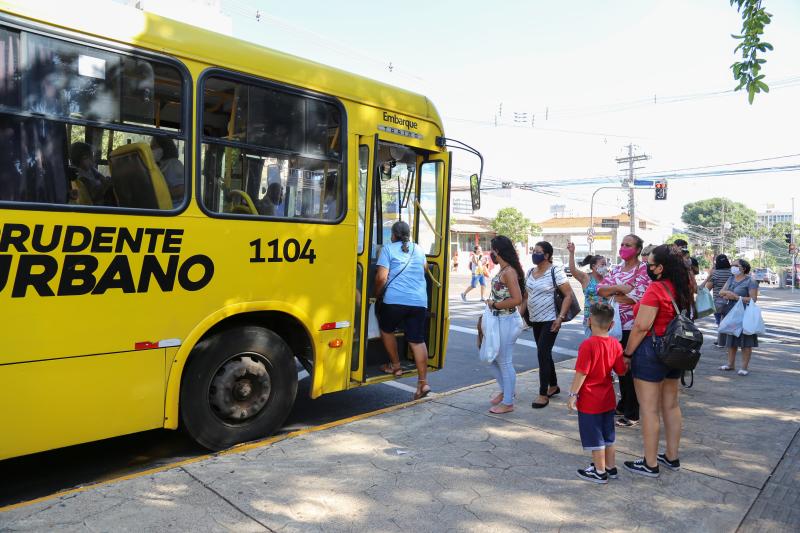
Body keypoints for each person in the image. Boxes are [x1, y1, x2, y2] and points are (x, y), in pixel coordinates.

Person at [622, 244, 692, 478]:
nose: (647, 267)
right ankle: (672, 456)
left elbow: (641, 326)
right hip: (674, 351)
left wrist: (628, 353)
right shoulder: (682, 286)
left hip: (651, 351)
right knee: (671, 405)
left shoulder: (656, 289)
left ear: (660, 268)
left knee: (649, 410)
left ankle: (650, 463)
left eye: (650, 264)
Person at [568, 302, 627, 484]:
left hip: (590, 399)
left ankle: (599, 471)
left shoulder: (588, 345)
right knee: (608, 435)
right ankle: (610, 467)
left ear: (589, 321)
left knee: (595, 437)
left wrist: (573, 394)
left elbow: (582, 372)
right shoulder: (616, 345)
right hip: (608, 398)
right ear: (612, 324)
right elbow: (622, 370)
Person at [375, 221, 431, 400]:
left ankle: (396, 366)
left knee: (386, 329)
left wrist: (377, 295)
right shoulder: (419, 249)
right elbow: (425, 269)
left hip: (395, 301)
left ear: (393, 235)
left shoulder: (388, 249)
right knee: (417, 340)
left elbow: (381, 278)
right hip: (419, 302)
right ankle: (423, 383)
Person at [598, 234, 649, 428]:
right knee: (620, 369)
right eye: (622, 244)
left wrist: (617, 291)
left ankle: (632, 413)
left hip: (632, 326)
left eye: (628, 245)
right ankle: (623, 404)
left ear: (637, 249)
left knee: (629, 369)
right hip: (616, 324)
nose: (623, 248)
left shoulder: (642, 269)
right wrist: (621, 289)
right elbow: (601, 290)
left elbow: (639, 297)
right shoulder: (617, 268)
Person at [520, 241, 574, 409]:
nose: (534, 254)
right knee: (544, 352)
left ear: (547, 255)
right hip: (534, 319)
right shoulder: (530, 271)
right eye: (533, 250)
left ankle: (543, 393)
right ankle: (554, 385)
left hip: (551, 318)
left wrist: (560, 317)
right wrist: (518, 317)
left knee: (542, 352)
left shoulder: (555, 271)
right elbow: (526, 297)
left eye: (538, 251)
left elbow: (568, 295)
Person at [484, 235, 525, 414]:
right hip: (500, 320)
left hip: (507, 320)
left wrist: (495, 305)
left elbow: (517, 299)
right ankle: (506, 391)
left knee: (504, 361)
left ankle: (508, 402)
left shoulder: (508, 271)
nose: (490, 252)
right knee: (491, 357)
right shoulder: (503, 269)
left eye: (492, 249)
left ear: (497, 251)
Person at [718, 258, 759, 376]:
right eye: (732, 265)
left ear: (743, 268)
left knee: (745, 341)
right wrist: (727, 294)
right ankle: (730, 364)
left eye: (736, 265)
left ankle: (744, 367)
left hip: (744, 313)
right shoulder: (731, 278)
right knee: (731, 339)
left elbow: (753, 299)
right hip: (730, 312)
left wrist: (736, 297)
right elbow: (721, 292)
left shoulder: (750, 281)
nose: (733, 267)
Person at [567, 242, 609, 338]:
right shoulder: (586, 278)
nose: (605, 267)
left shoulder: (608, 278)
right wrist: (572, 253)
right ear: (594, 266)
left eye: (606, 264)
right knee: (592, 344)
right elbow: (573, 270)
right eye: (602, 264)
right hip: (590, 317)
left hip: (606, 317)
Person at [150, 137, 184, 208]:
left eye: (153, 147)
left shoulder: (174, 164)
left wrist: (157, 193)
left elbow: (181, 190)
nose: (151, 150)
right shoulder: (160, 164)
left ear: (164, 147)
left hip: (174, 209)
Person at [705, 254, 732, 328]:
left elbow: (707, 289)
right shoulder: (733, 273)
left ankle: (721, 339)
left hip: (718, 304)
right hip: (731, 302)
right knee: (731, 325)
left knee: (720, 325)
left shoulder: (715, 274)